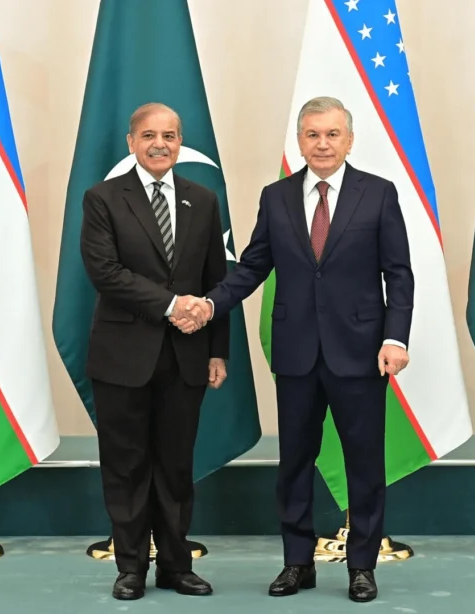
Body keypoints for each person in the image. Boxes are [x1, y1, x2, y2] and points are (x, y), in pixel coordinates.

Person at [171, 96, 413, 603]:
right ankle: (297, 563)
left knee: (365, 465)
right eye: (312, 134)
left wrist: (395, 338)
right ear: (299, 141)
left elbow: (398, 274)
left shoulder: (379, 193)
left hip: (361, 353)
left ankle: (362, 567)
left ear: (350, 140)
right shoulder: (276, 196)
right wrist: (210, 305)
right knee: (294, 464)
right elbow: (252, 267)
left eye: (332, 134)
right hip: (297, 353)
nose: (322, 144)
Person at [79, 102, 229, 601]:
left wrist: (218, 349)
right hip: (122, 356)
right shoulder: (102, 199)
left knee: (176, 466)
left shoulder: (203, 200)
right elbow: (105, 273)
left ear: (180, 142)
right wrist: (171, 304)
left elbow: (216, 280)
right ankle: (130, 568)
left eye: (169, 135)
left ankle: (176, 566)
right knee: (126, 466)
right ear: (132, 143)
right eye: (149, 135)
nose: (159, 144)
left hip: (187, 356)